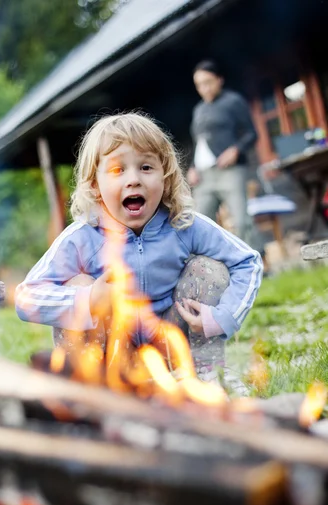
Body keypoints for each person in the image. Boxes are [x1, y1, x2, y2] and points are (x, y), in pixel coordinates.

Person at [15, 112, 262, 380]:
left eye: (146, 167)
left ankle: (208, 374)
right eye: (117, 170)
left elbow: (248, 260)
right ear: (95, 185)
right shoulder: (82, 236)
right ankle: (86, 383)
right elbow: (25, 297)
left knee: (207, 268)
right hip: (113, 353)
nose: (133, 179)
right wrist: (85, 300)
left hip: (171, 344)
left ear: (165, 178)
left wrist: (223, 317)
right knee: (77, 286)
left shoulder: (182, 224)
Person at [187, 60, 258, 242]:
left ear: (219, 80)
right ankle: (212, 268)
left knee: (241, 220)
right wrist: (193, 167)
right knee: (200, 222)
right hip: (204, 177)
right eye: (199, 85)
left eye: (208, 82)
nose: (205, 88)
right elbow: (199, 142)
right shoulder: (198, 110)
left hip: (230, 172)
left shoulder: (233, 101)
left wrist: (235, 150)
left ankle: (255, 264)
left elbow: (251, 133)